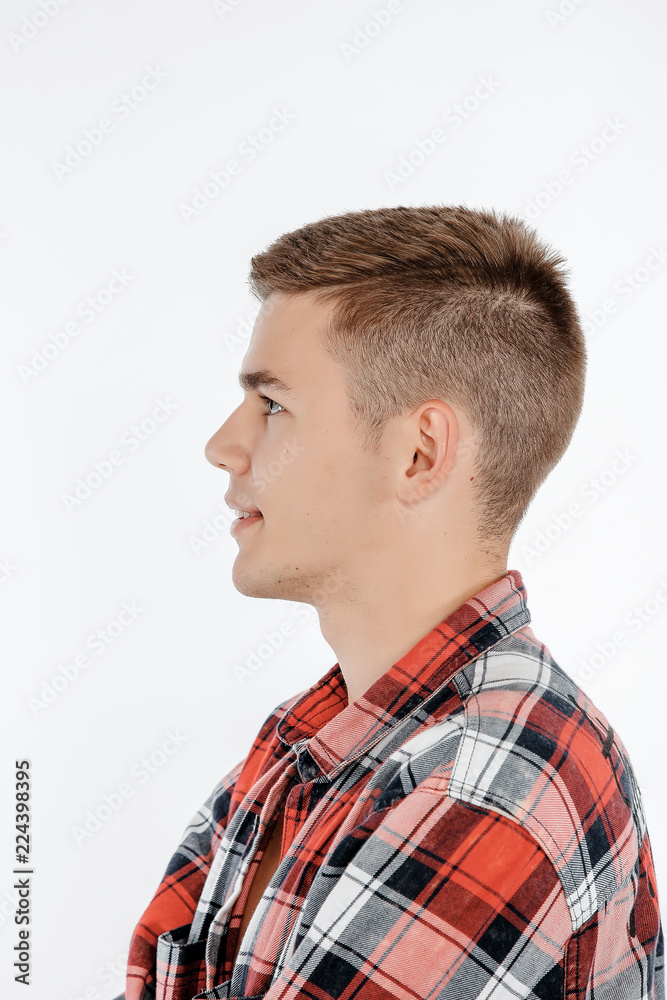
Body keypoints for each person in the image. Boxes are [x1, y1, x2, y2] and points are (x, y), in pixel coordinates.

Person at [116, 205, 663, 1000]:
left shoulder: (485, 787)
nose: (222, 446)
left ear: (418, 454)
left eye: (272, 405)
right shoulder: (303, 752)